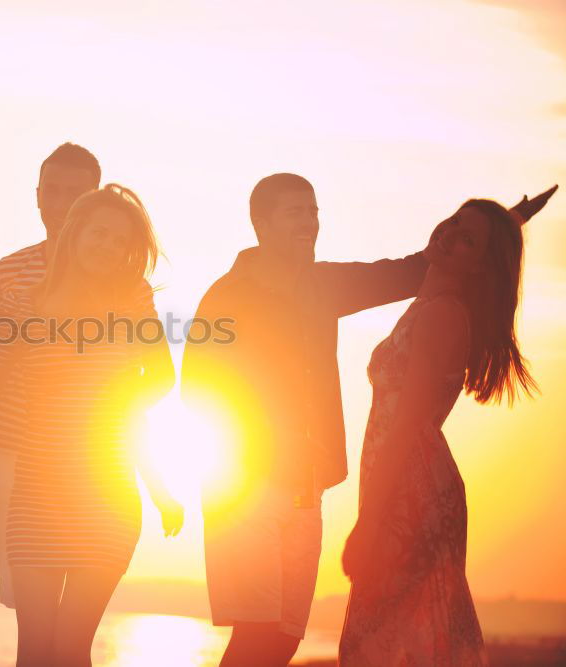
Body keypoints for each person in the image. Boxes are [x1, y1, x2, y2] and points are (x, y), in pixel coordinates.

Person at [181, 174, 555, 667]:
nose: (310, 222)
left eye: (314, 212)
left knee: (282, 642)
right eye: (296, 213)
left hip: (305, 491)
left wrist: (506, 223)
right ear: (261, 223)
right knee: (254, 637)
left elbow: (411, 270)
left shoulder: (323, 284)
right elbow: (197, 388)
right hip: (245, 489)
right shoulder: (226, 297)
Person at [0, 184, 183, 667]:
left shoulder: (131, 296)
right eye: (97, 233)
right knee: (35, 649)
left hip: (105, 496)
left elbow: (162, 379)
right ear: (74, 233)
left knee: (68, 648)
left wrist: (104, 408)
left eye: (118, 240)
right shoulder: (29, 302)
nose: (106, 246)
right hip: (35, 492)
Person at [338, 194, 551, 666]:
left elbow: (407, 425)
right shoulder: (432, 303)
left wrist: (369, 523)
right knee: (397, 643)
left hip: (410, 491)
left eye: (467, 239)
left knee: (387, 647)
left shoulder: (441, 315)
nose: (451, 235)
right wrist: (510, 218)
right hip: (405, 483)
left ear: (479, 267)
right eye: (453, 221)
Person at [0, 142, 102, 666]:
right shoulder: (9, 269)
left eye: (75, 192)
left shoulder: (112, 279)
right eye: (52, 189)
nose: (61, 201)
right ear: (36, 196)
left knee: (41, 617)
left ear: (95, 200)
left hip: (55, 465)